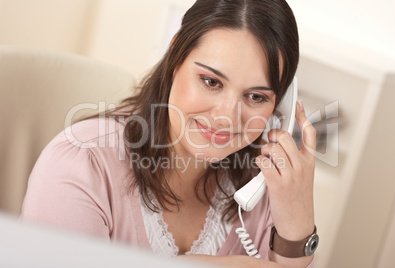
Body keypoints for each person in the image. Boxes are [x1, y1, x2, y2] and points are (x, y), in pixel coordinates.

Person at [21, 0, 317, 267]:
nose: (226, 118)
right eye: (211, 81)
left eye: (255, 97)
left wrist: (296, 221)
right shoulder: (82, 165)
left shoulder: (265, 186)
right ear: (175, 53)